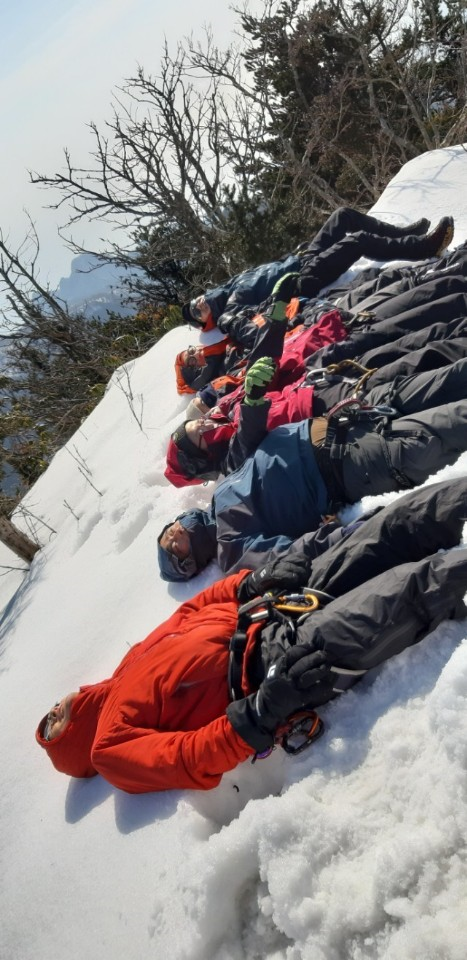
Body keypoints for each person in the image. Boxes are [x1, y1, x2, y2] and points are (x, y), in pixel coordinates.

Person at [36, 480, 467, 793]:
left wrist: (250, 582)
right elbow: (187, 757)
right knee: (408, 591)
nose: (54, 712)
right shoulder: (108, 749)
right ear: (69, 746)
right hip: (278, 667)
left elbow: (190, 611)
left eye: (48, 713)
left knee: (391, 526)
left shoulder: (125, 669)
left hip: (275, 605)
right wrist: (260, 713)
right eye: (52, 727)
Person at [158, 381, 467, 579]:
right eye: (174, 547)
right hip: (352, 466)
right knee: (454, 424)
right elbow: (288, 553)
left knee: (450, 382)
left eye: (166, 532)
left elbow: (247, 445)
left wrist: (253, 403)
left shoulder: (221, 492)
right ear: (191, 563)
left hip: (346, 421)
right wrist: (342, 535)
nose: (172, 534)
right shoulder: (230, 550)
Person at [181, 207, 450, 331]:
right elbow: (252, 321)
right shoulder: (230, 310)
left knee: (343, 216)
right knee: (356, 242)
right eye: (196, 312)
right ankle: (424, 248)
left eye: (194, 302)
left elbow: (269, 271)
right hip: (302, 281)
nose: (198, 304)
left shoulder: (232, 284)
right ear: (205, 322)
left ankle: (403, 233)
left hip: (301, 259)